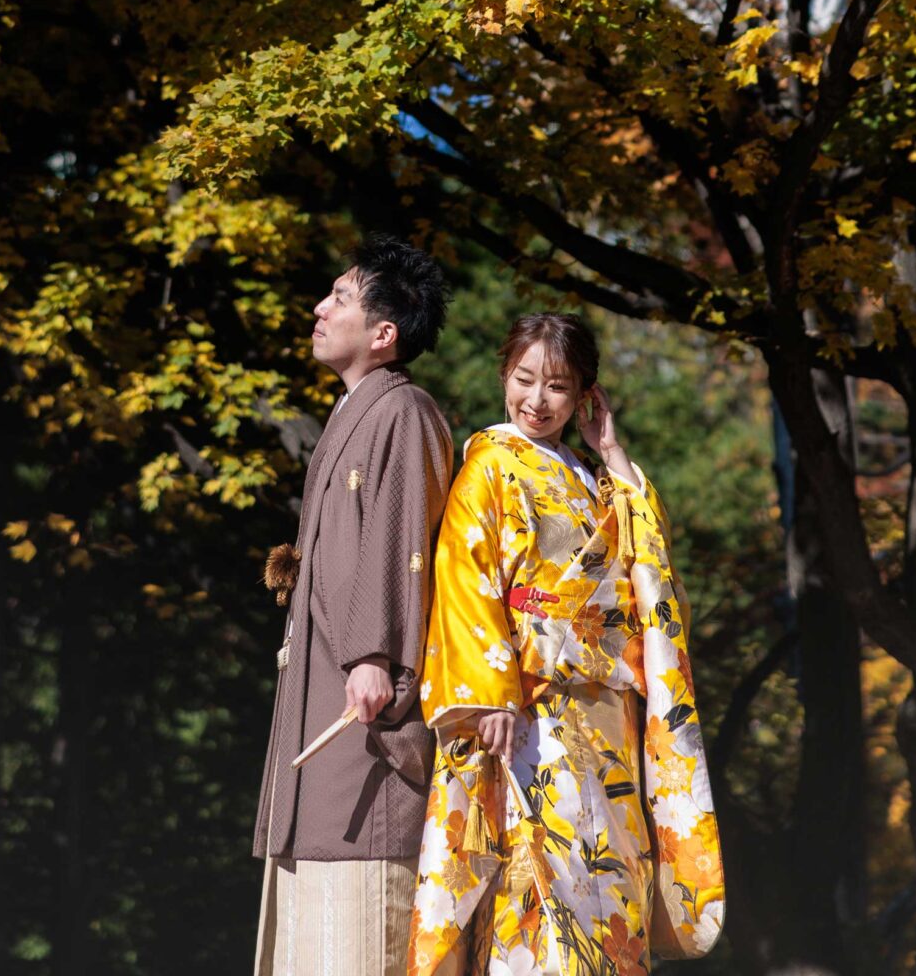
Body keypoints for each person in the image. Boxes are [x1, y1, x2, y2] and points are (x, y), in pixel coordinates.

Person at [408, 312, 724, 976]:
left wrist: (611, 454)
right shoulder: (489, 464)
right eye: (524, 379)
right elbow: (465, 579)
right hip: (531, 704)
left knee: (613, 875)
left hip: (605, 710)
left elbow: (650, 570)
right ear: (504, 375)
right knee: (541, 868)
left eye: (557, 385)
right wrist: (486, 695)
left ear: (584, 394)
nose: (536, 400)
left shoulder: (591, 475)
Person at [253, 235, 455, 976]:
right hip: (319, 718)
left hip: (363, 718)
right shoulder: (355, 414)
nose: (318, 308)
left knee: (358, 933)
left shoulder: (405, 412)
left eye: (338, 297)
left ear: (383, 332)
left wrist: (376, 656)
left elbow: (405, 540)